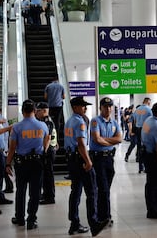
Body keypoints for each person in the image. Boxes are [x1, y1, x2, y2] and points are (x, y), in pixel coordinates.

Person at [64, 97, 108, 236]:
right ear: (75, 107)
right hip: (81, 159)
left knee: (75, 191)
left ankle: (74, 223)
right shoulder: (79, 122)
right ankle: (94, 223)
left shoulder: (69, 121)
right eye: (83, 106)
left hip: (71, 159)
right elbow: (81, 144)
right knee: (92, 192)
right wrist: (88, 161)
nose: (85, 108)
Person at [6, 99, 49, 230]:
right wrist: (42, 151)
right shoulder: (43, 126)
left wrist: (8, 164)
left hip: (22, 163)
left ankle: (19, 219)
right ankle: (31, 220)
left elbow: (12, 148)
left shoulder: (17, 127)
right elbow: (47, 140)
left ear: (22, 111)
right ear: (35, 111)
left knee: (21, 190)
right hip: (37, 162)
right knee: (35, 192)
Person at [89, 97, 122, 224]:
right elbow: (97, 139)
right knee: (103, 188)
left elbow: (120, 139)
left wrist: (105, 140)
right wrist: (110, 141)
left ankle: (102, 213)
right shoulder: (95, 121)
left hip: (109, 158)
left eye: (110, 107)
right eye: (105, 107)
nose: (108, 109)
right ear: (100, 108)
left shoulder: (114, 123)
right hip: (98, 158)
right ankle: (105, 216)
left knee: (106, 187)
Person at [35, 102, 58, 205]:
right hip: (49, 150)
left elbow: (47, 137)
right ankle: (46, 194)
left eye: (38, 111)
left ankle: (50, 197)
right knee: (46, 174)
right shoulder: (46, 120)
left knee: (48, 175)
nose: (36, 113)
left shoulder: (46, 121)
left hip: (48, 151)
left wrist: (44, 150)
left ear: (44, 110)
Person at [135, 97, 152, 173]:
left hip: (138, 129)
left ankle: (140, 167)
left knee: (139, 148)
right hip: (145, 129)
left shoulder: (137, 109)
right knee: (146, 147)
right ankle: (146, 166)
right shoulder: (148, 110)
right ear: (148, 102)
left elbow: (134, 119)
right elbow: (151, 119)